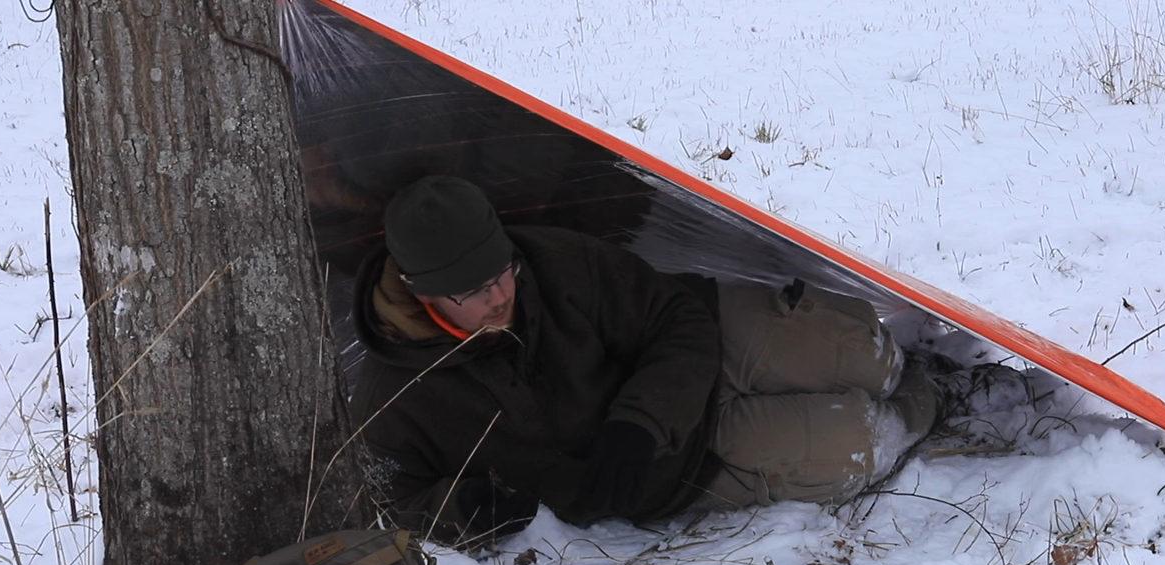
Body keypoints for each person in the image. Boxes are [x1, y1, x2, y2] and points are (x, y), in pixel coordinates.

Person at [348, 175, 1025, 545]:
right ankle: (933, 398)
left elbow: (673, 318)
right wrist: (466, 506)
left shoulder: (552, 261)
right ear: (420, 292)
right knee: (861, 442)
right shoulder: (395, 389)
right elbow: (398, 501)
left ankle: (919, 363)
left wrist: (638, 421)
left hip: (702, 349)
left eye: (503, 274)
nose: (500, 296)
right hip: (683, 465)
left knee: (867, 353)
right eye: (474, 290)